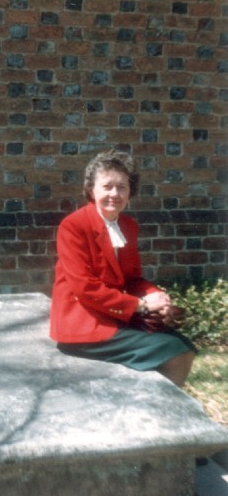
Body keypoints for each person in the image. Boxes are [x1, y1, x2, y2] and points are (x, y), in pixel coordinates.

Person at [50, 149, 196, 386]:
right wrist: (143, 305)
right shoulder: (73, 226)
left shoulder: (128, 225)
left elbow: (132, 279)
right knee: (177, 353)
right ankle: (154, 407)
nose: (114, 194)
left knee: (181, 346)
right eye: (107, 186)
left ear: (130, 192)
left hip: (113, 315)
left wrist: (156, 295)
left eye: (122, 187)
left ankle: (152, 404)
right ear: (91, 190)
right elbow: (86, 288)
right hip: (84, 324)